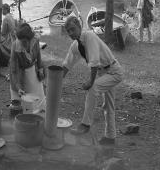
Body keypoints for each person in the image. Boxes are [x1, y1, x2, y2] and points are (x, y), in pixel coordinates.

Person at [61, 15, 124, 146]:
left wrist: (90, 81)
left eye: (73, 29)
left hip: (113, 71)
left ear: (79, 26)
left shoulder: (89, 36)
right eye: (68, 31)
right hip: (103, 72)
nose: (71, 33)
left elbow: (94, 61)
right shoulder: (76, 45)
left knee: (93, 87)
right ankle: (110, 137)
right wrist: (57, 80)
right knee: (108, 105)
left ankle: (85, 124)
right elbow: (67, 63)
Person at [10, 22, 46, 111]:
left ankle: (39, 114)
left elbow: (38, 57)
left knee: (38, 97)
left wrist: (40, 69)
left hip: (32, 70)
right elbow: (14, 69)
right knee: (22, 99)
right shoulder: (16, 46)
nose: (23, 44)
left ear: (30, 39)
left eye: (25, 42)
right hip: (19, 72)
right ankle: (24, 116)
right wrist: (18, 87)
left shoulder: (35, 40)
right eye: (21, 42)